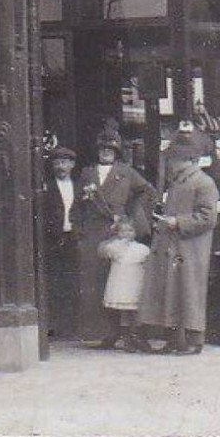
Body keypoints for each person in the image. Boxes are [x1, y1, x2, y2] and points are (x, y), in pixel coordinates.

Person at [75, 131, 158, 345]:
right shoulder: (87, 173)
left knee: (121, 281)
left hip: (117, 230)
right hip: (93, 231)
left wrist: (133, 218)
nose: (106, 152)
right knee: (96, 282)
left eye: (110, 149)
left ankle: (127, 332)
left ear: (116, 152)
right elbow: (77, 205)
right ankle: (104, 333)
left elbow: (148, 192)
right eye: (103, 149)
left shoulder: (126, 172)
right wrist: (80, 230)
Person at [137, 145, 220, 355]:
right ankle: (176, 339)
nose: (169, 166)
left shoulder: (204, 182)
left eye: (171, 161)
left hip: (192, 248)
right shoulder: (179, 182)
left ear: (184, 161)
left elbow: (208, 218)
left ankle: (194, 340)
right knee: (173, 292)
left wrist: (177, 222)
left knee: (190, 291)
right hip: (176, 246)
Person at [40, 146, 80, 339]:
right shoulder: (46, 186)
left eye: (64, 162)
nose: (61, 167)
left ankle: (70, 327)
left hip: (74, 238)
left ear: (72, 165)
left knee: (71, 282)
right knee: (53, 283)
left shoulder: (79, 186)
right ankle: (53, 326)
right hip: (53, 239)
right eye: (57, 163)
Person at [96, 219, 152, 352]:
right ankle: (115, 335)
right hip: (119, 282)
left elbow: (147, 263)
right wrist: (114, 239)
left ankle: (135, 337)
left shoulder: (142, 249)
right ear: (117, 233)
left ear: (135, 232)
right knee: (117, 309)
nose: (126, 234)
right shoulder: (114, 247)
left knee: (133, 311)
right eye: (123, 231)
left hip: (134, 282)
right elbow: (103, 252)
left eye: (130, 230)